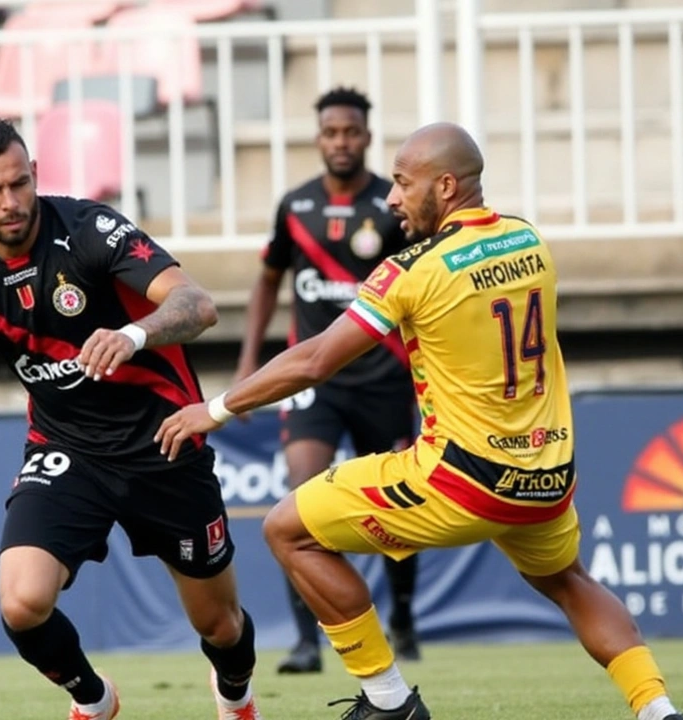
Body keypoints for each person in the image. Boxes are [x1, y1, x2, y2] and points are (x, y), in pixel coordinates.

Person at [156, 122, 683, 720]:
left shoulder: (412, 269)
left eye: (403, 184)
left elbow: (313, 360)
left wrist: (218, 407)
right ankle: (658, 709)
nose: (390, 198)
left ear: (445, 185)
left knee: (287, 529)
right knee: (571, 582)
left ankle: (388, 701)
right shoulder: (528, 240)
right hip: (545, 475)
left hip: (461, 476)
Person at [0, 116, 262, 720]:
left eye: (19, 183)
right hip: (68, 453)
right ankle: (95, 702)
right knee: (21, 604)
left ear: (35, 173)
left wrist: (135, 334)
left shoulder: (90, 230)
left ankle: (237, 700)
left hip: (164, 442)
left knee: (219, 624)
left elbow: (196, 304)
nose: (10, 202)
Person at [235, 86, 421, 674]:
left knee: (398, 502)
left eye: (351, 132)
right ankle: (308, 640)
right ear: (318, 138)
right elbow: (268, 281)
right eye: (330, 132)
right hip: (317, 380)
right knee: (299, 492)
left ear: (367, 136)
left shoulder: (393, 206)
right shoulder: (295, 207)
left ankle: (405, 618)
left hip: (384, 375)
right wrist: (247, 367)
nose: (340, 141)